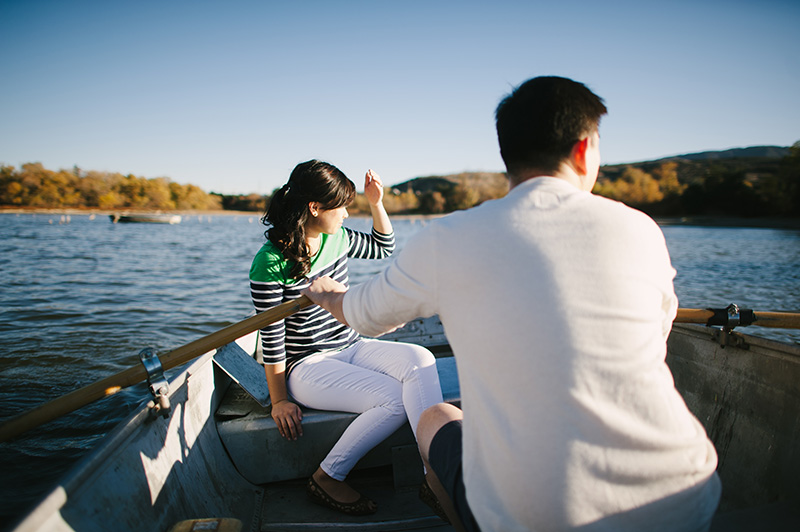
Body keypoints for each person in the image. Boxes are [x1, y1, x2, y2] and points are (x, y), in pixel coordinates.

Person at [303, 77, 722, 531]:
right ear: (583, 151)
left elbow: (364, 316)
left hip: (533, 515)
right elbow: (654, 338)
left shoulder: (448, 239)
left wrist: (327, 294)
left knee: (437, 416)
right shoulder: (640, 229)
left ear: (507, 156)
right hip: (684, 496)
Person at [249, 160, 443, 516]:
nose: (346, 214)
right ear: (315, 208)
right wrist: (279, 401)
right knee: (391, 400)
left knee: (421, 359)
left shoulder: (336, 237)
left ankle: (435, 476)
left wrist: (376, 202)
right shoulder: (271, 262)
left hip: (352, 346)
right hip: (307, 366)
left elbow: (382, 246)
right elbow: (271, 337)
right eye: (342, 206)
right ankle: (326, 476)